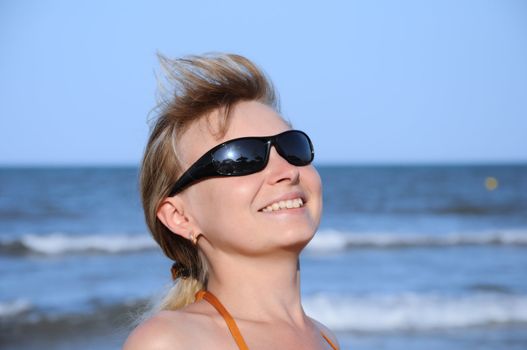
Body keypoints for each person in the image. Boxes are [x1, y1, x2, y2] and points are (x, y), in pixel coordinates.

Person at [123, 53, 339, 350]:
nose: (287, 171)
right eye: (241, 158)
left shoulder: (325, 338)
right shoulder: (170, 342)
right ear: (179, 217)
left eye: (293, 147)